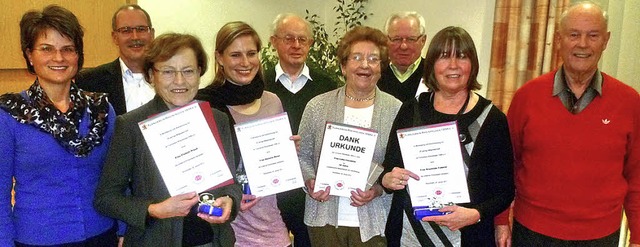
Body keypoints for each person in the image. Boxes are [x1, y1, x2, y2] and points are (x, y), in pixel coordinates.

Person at [496, 1, 640, 246]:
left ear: (605, 40)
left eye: (592, 35)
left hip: (600, 237)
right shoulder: (526, 97)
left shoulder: (629, 102)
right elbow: (505, 165)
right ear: (558, 39)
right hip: (532, 233)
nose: (582, 44)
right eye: (574, 34)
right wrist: (500, 221)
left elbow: (636, 175)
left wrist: (637, 236)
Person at [93, 33, 241, 247]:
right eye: (168, 72)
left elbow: (231, 183)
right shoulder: (131, 126)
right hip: (155, 240)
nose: (179, 81)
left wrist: (230, 201)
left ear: (200, 72)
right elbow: (105, 198)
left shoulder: (217, 119)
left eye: (188, 71)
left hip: (213, 240)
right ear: (152, 76)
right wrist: (154, 210)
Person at [380, 26, 514, 247]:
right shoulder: (411, 110)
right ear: (432, 64)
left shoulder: (492, 119)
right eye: (444, 57)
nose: (453, 65)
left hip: (470, 236)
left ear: (472, 65)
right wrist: (388, 179)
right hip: (409, 235)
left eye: (462, 56)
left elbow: (504, 190)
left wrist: (475, 214)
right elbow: (389, 168)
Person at [0, 5, 117, 246]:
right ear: (30, 55)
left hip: (102, 233)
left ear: (78, 56)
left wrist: (125, 230)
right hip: (38, 238)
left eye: (68, 49)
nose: (59, 58)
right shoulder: (8, 114)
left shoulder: (101, 109)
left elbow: (116, 178)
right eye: (46, 49)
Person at [298, 25, 401, 246]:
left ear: (381, 68)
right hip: (323, 220)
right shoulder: (317, 106)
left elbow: (398, 165)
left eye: (373, 59)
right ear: (343, 66)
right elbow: (302, 156)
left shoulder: (396, 110)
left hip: (374, 222)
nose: (365, 65)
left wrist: (377, 189)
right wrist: (310, 181)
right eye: (356, 57)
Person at [196, 21, 291, 247]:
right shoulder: (205, 105)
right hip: (229, 232)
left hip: (272, 227)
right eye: (236, 55)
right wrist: (232, 198)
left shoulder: (272, 101)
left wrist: (287, 154)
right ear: (219, 58)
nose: (246, 62)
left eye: (251, 53)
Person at [263, 13, 339, 247]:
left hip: (314, 189)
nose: (296, 45)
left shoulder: (328, 84)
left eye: (302, 40)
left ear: (310, 44)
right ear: (274, 42)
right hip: (273, 189)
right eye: (288, 39)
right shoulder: (259, 83)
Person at [76, 4, 156, 115]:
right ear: (115, 37)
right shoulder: (90, 81)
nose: (135, 37)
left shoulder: (171, 77)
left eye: (141, 29)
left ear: (152, 34)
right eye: (126, 30)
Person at [378, 11, 428, 102]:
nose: (403, 46)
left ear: (423, 41)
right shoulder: (375, 74)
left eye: (411, 39)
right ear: (386, 40)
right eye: (396, 39)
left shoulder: (433, 74)